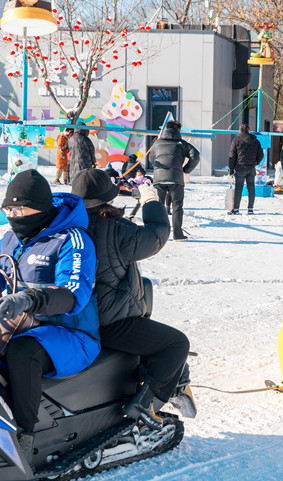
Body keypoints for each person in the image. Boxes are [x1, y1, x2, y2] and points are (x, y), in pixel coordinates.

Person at [72, 169, 191, 429]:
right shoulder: (114, 228)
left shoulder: (68, 227)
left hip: (75, 316)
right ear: (107, 199)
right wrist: (150, 199)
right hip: (110, 321)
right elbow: (157, 235)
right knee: (176, 344)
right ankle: (146, 405)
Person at [0, 170, 100, 452]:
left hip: (71, 334)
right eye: (8, 208)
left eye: (18, 208)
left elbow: (73, 293)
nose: (12, 215)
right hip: (24, 323)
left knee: (22, 353)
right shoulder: (10, 240)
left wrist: (28, 299)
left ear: (39, 208)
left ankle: (23, 436)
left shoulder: (72, 239)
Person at [150, 121, 200, 241]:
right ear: (178, 130)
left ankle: (158, 233)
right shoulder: (181, 143)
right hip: (175, 178)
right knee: (177, 206)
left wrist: (158, 170)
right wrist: (186, 170)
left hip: (159, 178)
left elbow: (152, 159)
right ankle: (177, 235)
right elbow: (196, 155)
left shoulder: (157, 143)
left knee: (159, 206)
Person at [227, 124, 264, 215]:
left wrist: (231, 169)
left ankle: (236, 209)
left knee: (239, 188)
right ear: (249, 130)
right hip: (251, 168)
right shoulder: (256, 141)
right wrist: (255, 163)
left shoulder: (236, 141)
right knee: (251, 188)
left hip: (240, 168)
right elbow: (261, 154)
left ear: (240, 131)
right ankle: (250, 209)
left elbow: (232, 156)